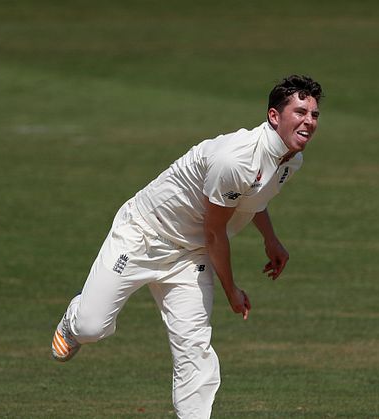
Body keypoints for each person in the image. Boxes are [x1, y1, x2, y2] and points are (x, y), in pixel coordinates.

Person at [51, 74, 323, 418]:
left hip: (189, 257)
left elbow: (252, 200)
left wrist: (271, 240)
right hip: (143, 235)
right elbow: (214, 233)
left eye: (313, 114)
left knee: (194, 350)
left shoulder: (291, 161)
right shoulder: (235, 158)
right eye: (300, 112)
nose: (308, 121)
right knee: (92, 328)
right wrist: (231, 290)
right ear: (274, 116)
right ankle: (74, 319)